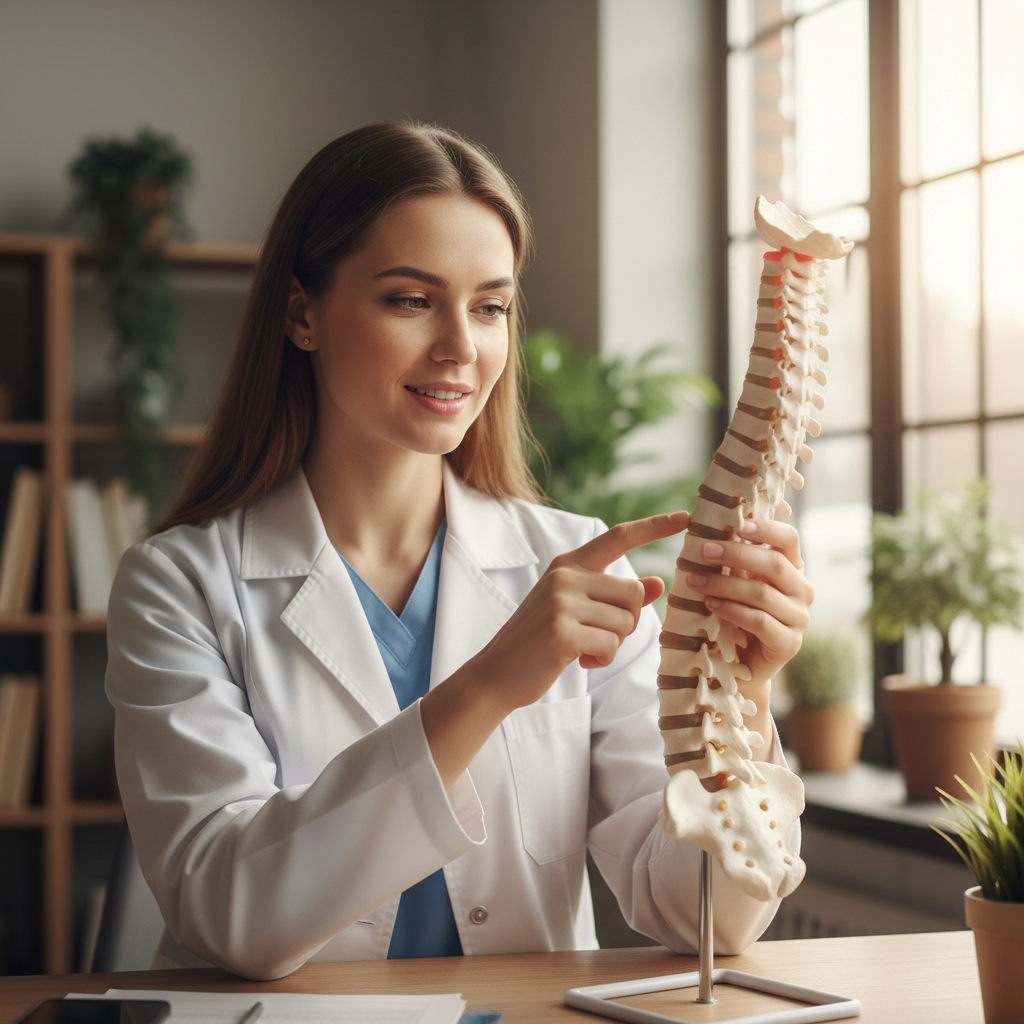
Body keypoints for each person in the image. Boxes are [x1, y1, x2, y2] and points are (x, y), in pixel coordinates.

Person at [105, 122, 813, 981]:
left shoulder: (580, 563)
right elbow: (232, 916)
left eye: (490, 307)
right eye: (410, 299)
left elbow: (699, 913)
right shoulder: (177, 585)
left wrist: (738, 703)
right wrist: (487, 684)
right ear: (302, 315)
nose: (460, 346)